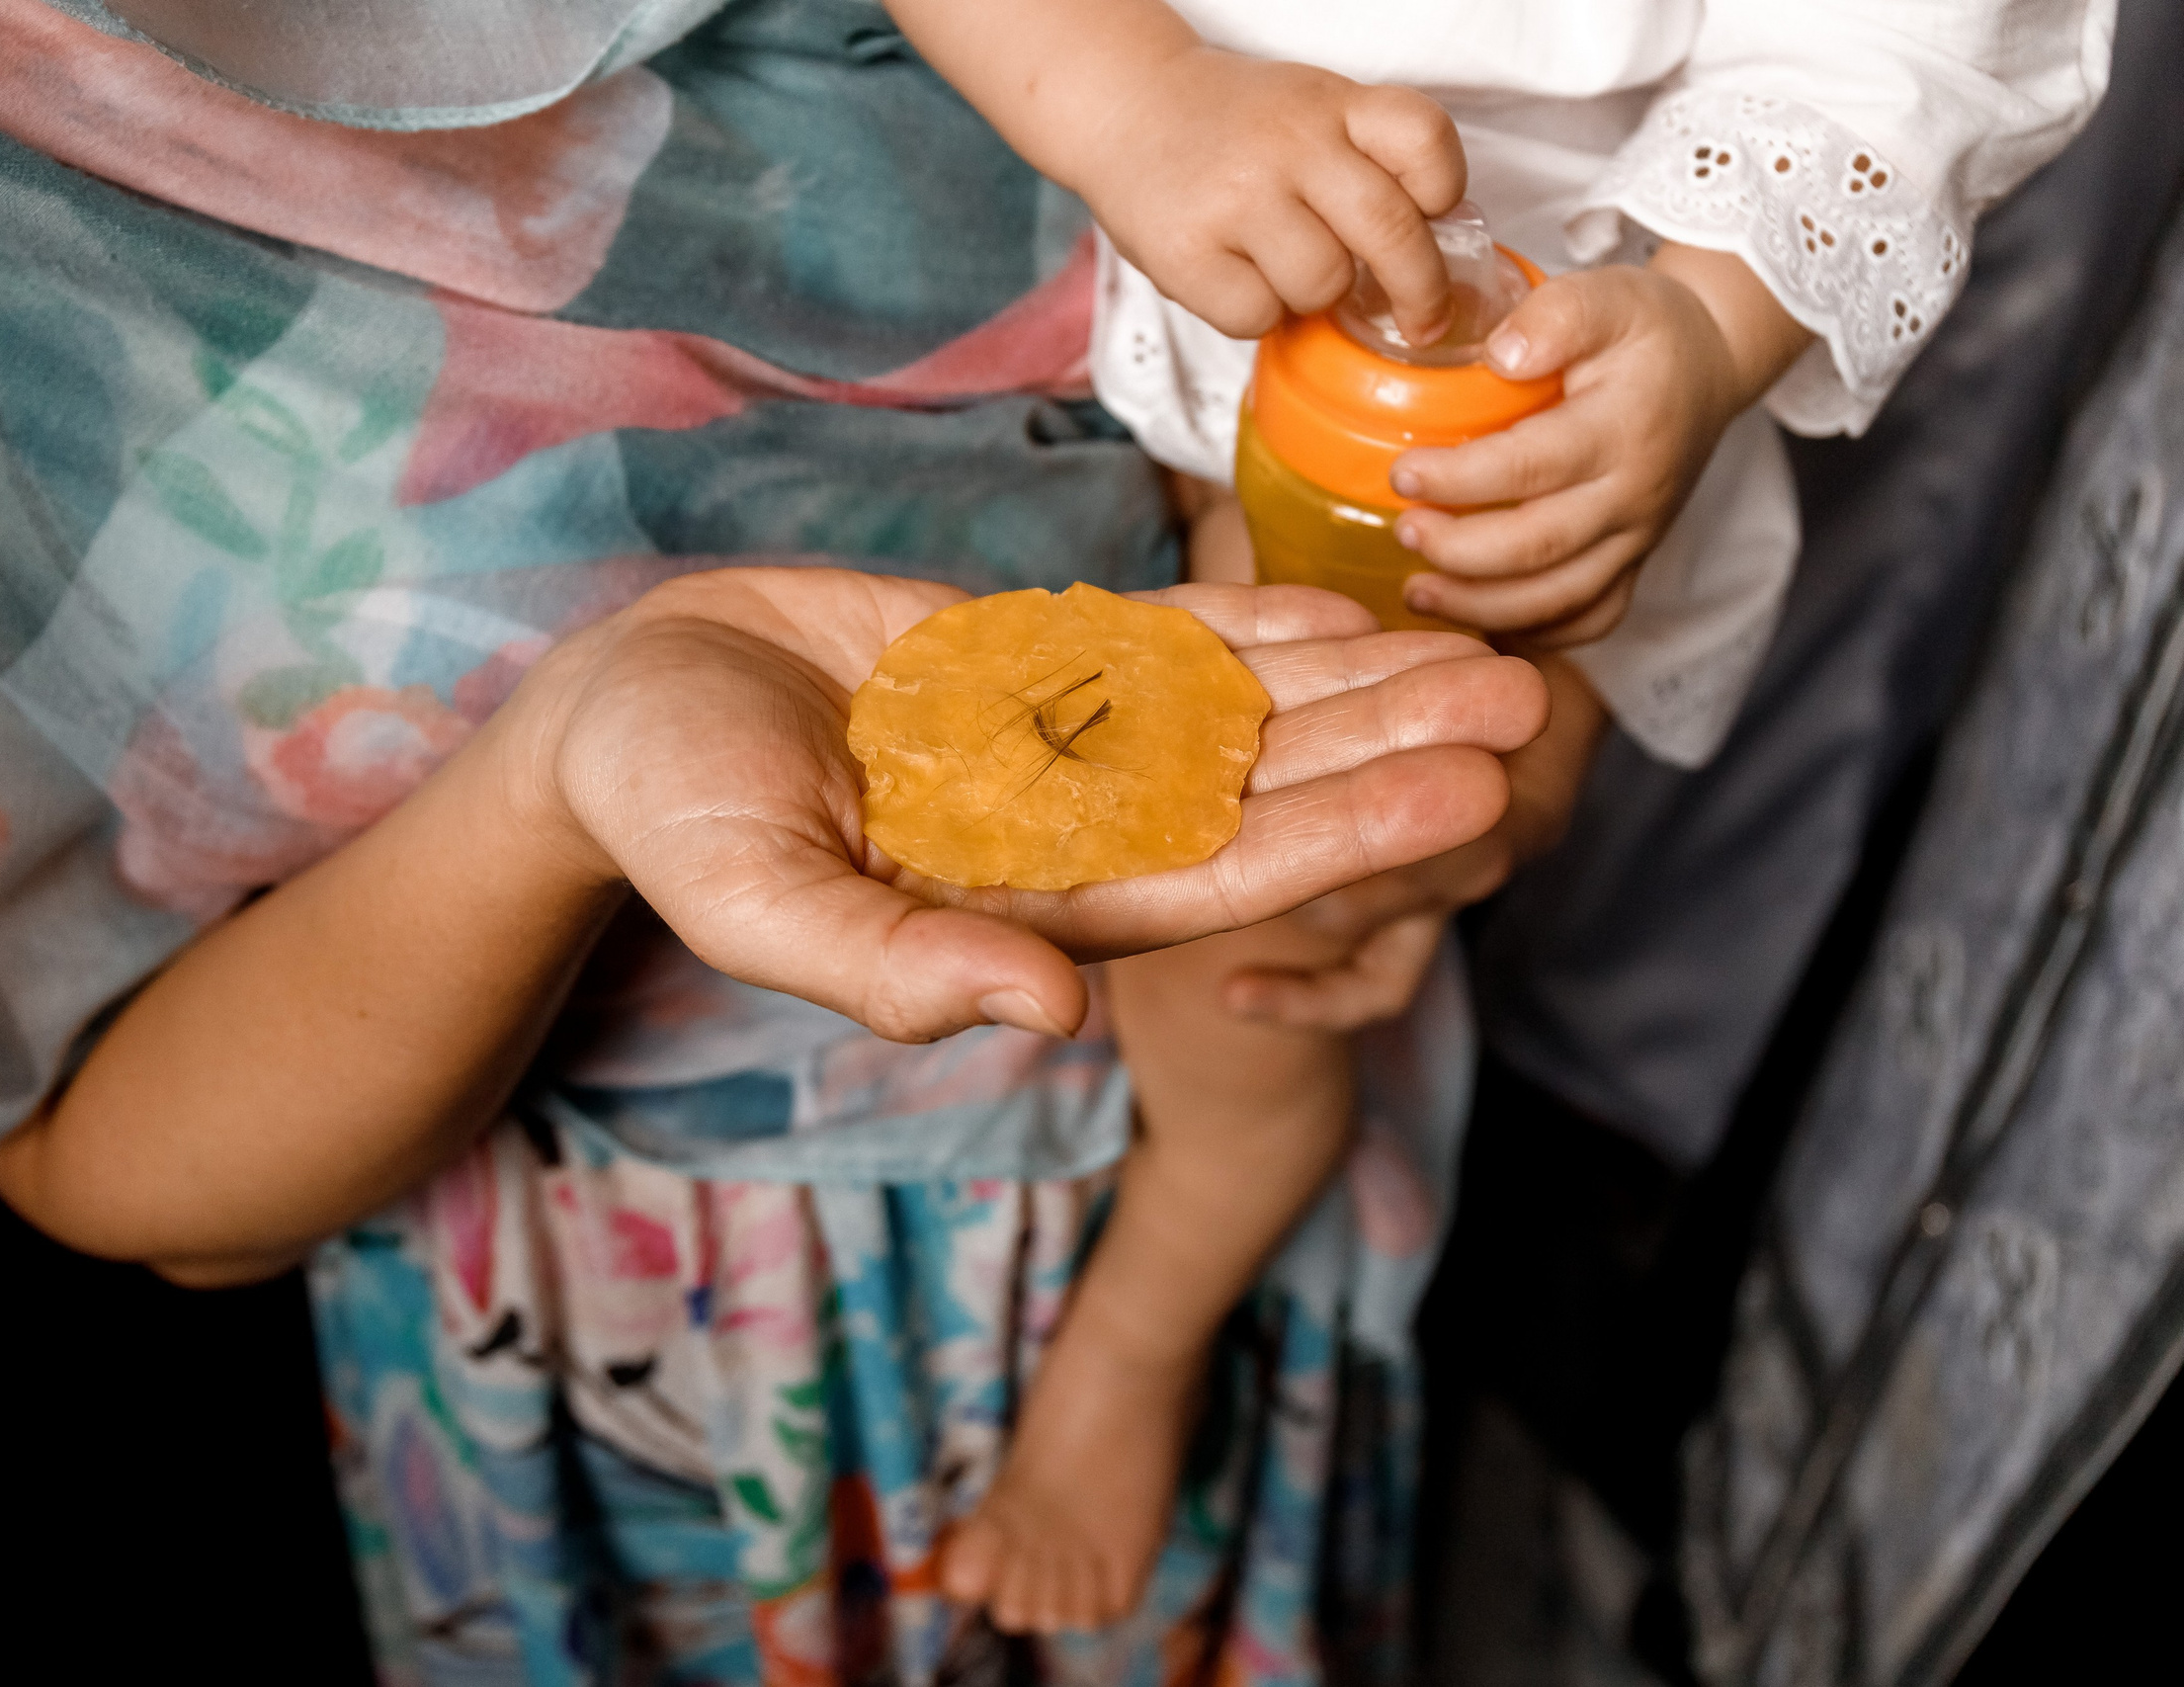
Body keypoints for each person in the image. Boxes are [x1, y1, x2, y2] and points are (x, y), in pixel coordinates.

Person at [0, 2, 1541, 1679]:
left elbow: (1464, 247)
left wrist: (1535, 638)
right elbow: (95, 1149)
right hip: (625, 1310)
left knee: (1263, 1014)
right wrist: (558, 774)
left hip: (1215, 1016)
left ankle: (1149, 1335)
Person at [877, 0, 2115, 1633]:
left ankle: (1165, 1287)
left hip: (1540, 411)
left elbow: (1914, 38)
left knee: (1250, 878)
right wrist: (1133, 87)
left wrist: (1708, 329)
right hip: (1162, 252)